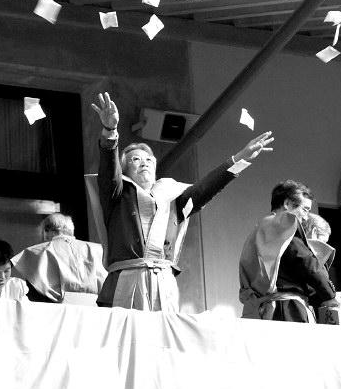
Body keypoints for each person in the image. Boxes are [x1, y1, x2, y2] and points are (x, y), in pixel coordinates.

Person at [91, 92, 274, 311]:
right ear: (125, 169)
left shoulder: (174, 197)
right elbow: (109, 168)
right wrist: (110, 131)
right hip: (125, 280)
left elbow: (206, 187)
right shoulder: (117, 193)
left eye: (149, 159)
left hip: (163, 282)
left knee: (164, 333)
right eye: (135, 160)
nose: (144, 163)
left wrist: (240, 158)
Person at [238, 180, 341, 323]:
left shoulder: (258, 230)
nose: (306, 217)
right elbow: (307, 263)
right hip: (287, 310)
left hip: (261, 310)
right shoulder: (283, 224)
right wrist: (330, 295)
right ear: (287, 203)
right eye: (305, 209)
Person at [11, 213, 107, 305]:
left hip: (53, 309)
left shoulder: (37, 251)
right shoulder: (98, 249)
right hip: (98, 309)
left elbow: (34, 293)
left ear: (46, 231)